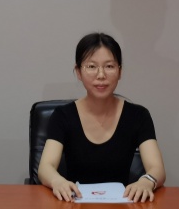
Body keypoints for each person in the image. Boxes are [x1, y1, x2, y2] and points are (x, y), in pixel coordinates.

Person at [38, 32, 166, 203]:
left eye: (109, 66)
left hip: (121, 204)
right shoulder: (63, 116)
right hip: (74, 204)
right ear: (78, 72)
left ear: (120, 71)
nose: (100, 75)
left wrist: (146, 181)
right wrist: (57, 181)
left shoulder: (138, 116)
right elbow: (45, 167)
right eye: (91, 66)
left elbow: (157, 168)